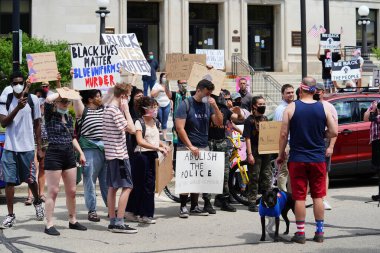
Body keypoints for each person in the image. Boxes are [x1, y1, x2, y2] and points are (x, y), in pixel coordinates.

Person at [276, 77, 337, 244]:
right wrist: (321, 135)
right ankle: (319, 232)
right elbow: (334, 131)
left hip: (298, 159)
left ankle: (301, 233)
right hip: (318, 158)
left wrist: (280, 155)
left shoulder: (291, 107)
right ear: (314, 90)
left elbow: (283, 134)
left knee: (300, 197)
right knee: (318, 196)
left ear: (301, 90)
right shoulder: (323, 107)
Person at [0, 71, 45, 228]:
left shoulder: (33, 100)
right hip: (10, 148)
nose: (18, 85)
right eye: (15, 83)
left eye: (21, 82)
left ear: (25, 83)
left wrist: (39, 147)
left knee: (31, 180)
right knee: (9, 181)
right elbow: (4, 122)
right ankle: (11, 215)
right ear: (11, 85)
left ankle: (37, 202)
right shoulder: (6, 99)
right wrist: (17, 108)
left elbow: (37, 124)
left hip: (27, 147)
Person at [175, 79, 223, 218]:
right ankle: (183, 206)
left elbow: (219, 122)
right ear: (199, 90)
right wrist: (190, 146)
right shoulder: (186, 104)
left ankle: (195, 206)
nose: (208, 96)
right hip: (187, 147)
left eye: (210, 94)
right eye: (207, 93)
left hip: (203, 145)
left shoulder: (208, 105)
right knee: (187, 178)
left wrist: (216, 107)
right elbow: (179, 128)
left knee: (198, 178)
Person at [43, 90, 87, 236]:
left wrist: (80, 152)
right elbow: (48, 100)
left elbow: (73, 136)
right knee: (53, 191)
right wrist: (61, 92)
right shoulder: (50, 115)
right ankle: (49, 224)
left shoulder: (68, 117)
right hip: (54, 153)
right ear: (57, 103)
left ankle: (73, 220)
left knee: (72, 191)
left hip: (68, 153)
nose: (65, 104)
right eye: (63, 101)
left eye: (67, 101)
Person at [125, 97, 170, 224]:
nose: (155, 109)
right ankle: (132, 211)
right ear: (144, 109)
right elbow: (140, 141)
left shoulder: (155, 121)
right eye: (152, 107)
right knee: (139, 185)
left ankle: (145, 214)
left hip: (152, 156)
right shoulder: (139, 122)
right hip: (141, 156)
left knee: (149, 185)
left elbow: (155, 138)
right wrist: (157, 147)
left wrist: (162, 145)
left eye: (156, 106)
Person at [103, 83, 137, 233]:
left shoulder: (107, 109)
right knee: (128, 186)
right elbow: (132, 129)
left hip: (111, 155)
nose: (129, 98)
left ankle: (113, 220)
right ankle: (119, 221)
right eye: (128, 95)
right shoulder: (115, 111)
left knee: (112, 187)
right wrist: (127, 111)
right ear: (123, 96)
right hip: (119, 155)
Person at [203, 92, 245, 212]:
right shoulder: (207, 108)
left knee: (224, 174)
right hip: (209, 143)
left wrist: (239, 112)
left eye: (225, 98)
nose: (224, 100)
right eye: (222, 98)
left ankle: (223, 200)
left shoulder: (225, 109)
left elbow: (239, 119)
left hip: (222, 143)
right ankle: (207, 201)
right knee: (209, 173)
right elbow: (218, 122)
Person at [73, 89, 108, 222]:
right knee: (89, 181)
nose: (100, 98)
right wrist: (74, 82)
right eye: (97, 96)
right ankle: (92, 210)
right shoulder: (84, 111)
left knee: (106, 182)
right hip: (89, 148)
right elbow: (76, 101)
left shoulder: (103, 109)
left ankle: (110, 208)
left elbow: (114, 94)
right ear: (89, 99)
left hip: (105, 148)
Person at [243, 96, 273, 212]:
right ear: (254, 106)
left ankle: (266, 199)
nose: (262, 106)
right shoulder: (249, 120)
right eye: (260, 104)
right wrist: (249, 154)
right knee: (254, 176)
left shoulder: (265, 118)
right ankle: (252, 201)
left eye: (264, 104)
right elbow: (248, 138)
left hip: (265, 150)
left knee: (266, 175)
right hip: (254, 150)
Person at [315, 83, 338, 210]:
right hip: (311, 140)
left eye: (319, 91)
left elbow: (335, 129)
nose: (317, 93)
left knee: (324, 171)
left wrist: (331, 146)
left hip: (324, 140)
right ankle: (312, 198)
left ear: (323, 92)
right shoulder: (308, 105)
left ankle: (323, 198)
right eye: (315, 90)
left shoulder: (329, 107)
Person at [273, 84, 294, 192]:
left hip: (293, 143)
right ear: (282, 94)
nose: (291, 95)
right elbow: (281, 131)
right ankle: (283, 195)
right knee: (284, 171)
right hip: (286, 143)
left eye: (292, 92)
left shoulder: (293, 106)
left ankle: (290, 195)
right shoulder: (281, 109)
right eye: (288, 93)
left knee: (291, 171)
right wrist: (282, 148)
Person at [363, 91, 380, 202]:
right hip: (376, 140)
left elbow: (377, 119)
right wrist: (372, 110)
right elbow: (365, 118)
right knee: (378, 167)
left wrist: (377, 114)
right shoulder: (375, 102)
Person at [151, 73, 171, 140]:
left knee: (165, 121)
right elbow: (152, 94)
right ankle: (157, 131)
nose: (164, 78)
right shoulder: (157, 85)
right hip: (158, 104)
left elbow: (170, 95)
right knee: (160, 119)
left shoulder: (168, 85)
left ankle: (164, 136)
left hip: (167, 104)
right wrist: (159, 90)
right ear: (161, 78)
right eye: (163, 77)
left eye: (166, 77)